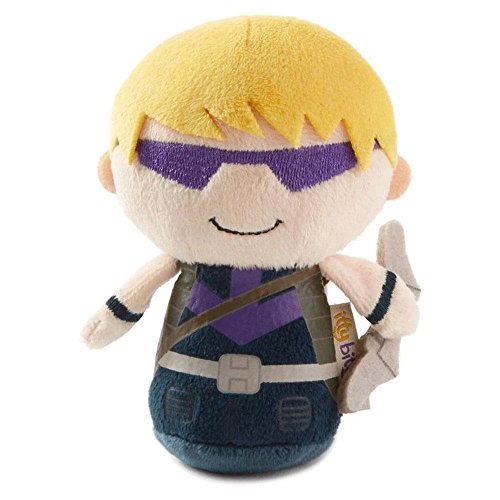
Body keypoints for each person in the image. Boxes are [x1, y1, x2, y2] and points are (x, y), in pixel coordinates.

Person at [82, 16, 419, 473]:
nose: (243, 187)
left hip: (296, 400)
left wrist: (391, 308)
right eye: (187, 164)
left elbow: (390, 307)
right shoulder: (183, 258)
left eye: (306, 167)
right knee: (193, 402)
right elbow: (128, 301)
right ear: (112, 172)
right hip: (190, 395)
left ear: (393, 178)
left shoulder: (325, 263)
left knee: (286, 407)